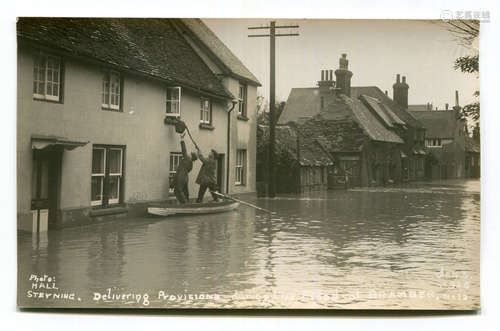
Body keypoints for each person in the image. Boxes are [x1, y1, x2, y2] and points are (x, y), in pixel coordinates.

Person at [172, 133, 198, 204]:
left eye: (190, 154)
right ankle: (187, 203)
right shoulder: (191, 164)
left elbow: (184, 149)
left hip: (181, 176)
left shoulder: (187, 158)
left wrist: (182, 139)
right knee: (185, 191)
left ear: (191, 156)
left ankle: (185, 205)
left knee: (178, 191)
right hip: (186, 178)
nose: (189, 154)